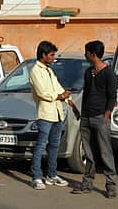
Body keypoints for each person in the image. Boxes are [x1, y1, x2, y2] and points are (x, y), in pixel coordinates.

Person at [71, 40, 117, 199]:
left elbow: (112, 97)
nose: (85, 55)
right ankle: (87, 183)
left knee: (105, 153)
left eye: (87, 52)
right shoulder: (88, 72)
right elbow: (87, 95)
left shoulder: (109, 73)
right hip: (87, 117)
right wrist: (81, 114)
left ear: (93, 54)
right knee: (89, 153)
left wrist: (106, 116)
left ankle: (111, 185)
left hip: (100, 118)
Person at [29, 40, 74, 190]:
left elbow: (58, 87)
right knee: (41, 146)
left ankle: (52, 175)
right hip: (45, 114)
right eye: (51, 55)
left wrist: (68, 99)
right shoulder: (36, 71)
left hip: (57, 113)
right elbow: (43, 93)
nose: (53, 57)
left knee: (54, 146)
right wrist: (60, 96)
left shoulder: (49, 70)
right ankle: (36, 176)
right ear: (44, 55)